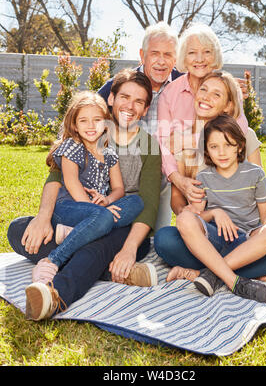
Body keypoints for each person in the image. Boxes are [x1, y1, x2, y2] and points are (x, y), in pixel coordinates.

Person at [8, 69, 162, 321]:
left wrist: (130, 249)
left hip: (123, 225)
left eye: (139, 101)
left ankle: (54, 295)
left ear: (145, 109)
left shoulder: (149, 146)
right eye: (124, 97)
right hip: (82, 214)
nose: (130, 106)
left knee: (99, 244)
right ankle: (116, 273)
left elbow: (148, 203)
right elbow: (57, 178)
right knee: (19, 231)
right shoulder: (90, 132)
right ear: (111, 98)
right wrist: (43, 218)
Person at [154, 71, 266, 285]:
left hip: (247, 233)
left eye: (216, 95)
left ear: (228, 106)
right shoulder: (181, 142)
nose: (206, 97)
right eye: (203, 90)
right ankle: (252, 270)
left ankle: (207, 274)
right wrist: (190, 213)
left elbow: (260, 185)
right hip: (208, 235)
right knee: (165, 240)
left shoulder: (244, 135)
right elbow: (177, 200)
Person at [30, 90, 144, 285]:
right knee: (104, 217)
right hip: (69, 207)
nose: (91, 126)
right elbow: (72, 182)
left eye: (97, 120)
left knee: (136, 201)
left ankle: (80, 231)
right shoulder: (72, 146)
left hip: (98, 209)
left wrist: (107, 200)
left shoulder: (109, 154)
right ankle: (52, 259)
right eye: (83, 121)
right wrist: (98, 209)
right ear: (74, 125)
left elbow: (119, 189)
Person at [171, 114, 266, 304]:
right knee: (184, 219)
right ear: (207, 151)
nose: (222, 152)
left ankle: (210, 274)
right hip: (217, 238)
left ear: (240, 146)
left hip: (248, 240)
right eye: (214, 147)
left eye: (228, 145)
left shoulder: (255, 173)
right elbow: (197, 215)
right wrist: (216, 213)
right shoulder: (204, 177)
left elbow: (265, 214)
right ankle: (235, 281)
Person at [99, 21, 182, 230]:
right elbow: (86, 119)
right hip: (119, 164)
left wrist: (228, 87)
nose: (161, 62)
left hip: (160, 169)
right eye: (155, 53)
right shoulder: (118, 85)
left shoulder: (184, 84)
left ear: (176, 58)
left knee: (153, 234)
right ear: (142, 54)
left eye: (168, 55)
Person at [157, 22, 248, 204]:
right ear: (183, 56)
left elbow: (241, 129)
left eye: (207, 52)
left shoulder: (228, 86)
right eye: (192, 52)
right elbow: (163, 143)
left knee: (250, 137)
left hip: (224, 164)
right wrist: (178, 180)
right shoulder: (169, 93)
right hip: (185, 170)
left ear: (215, 55)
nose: (200, 59)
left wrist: (188, 140)